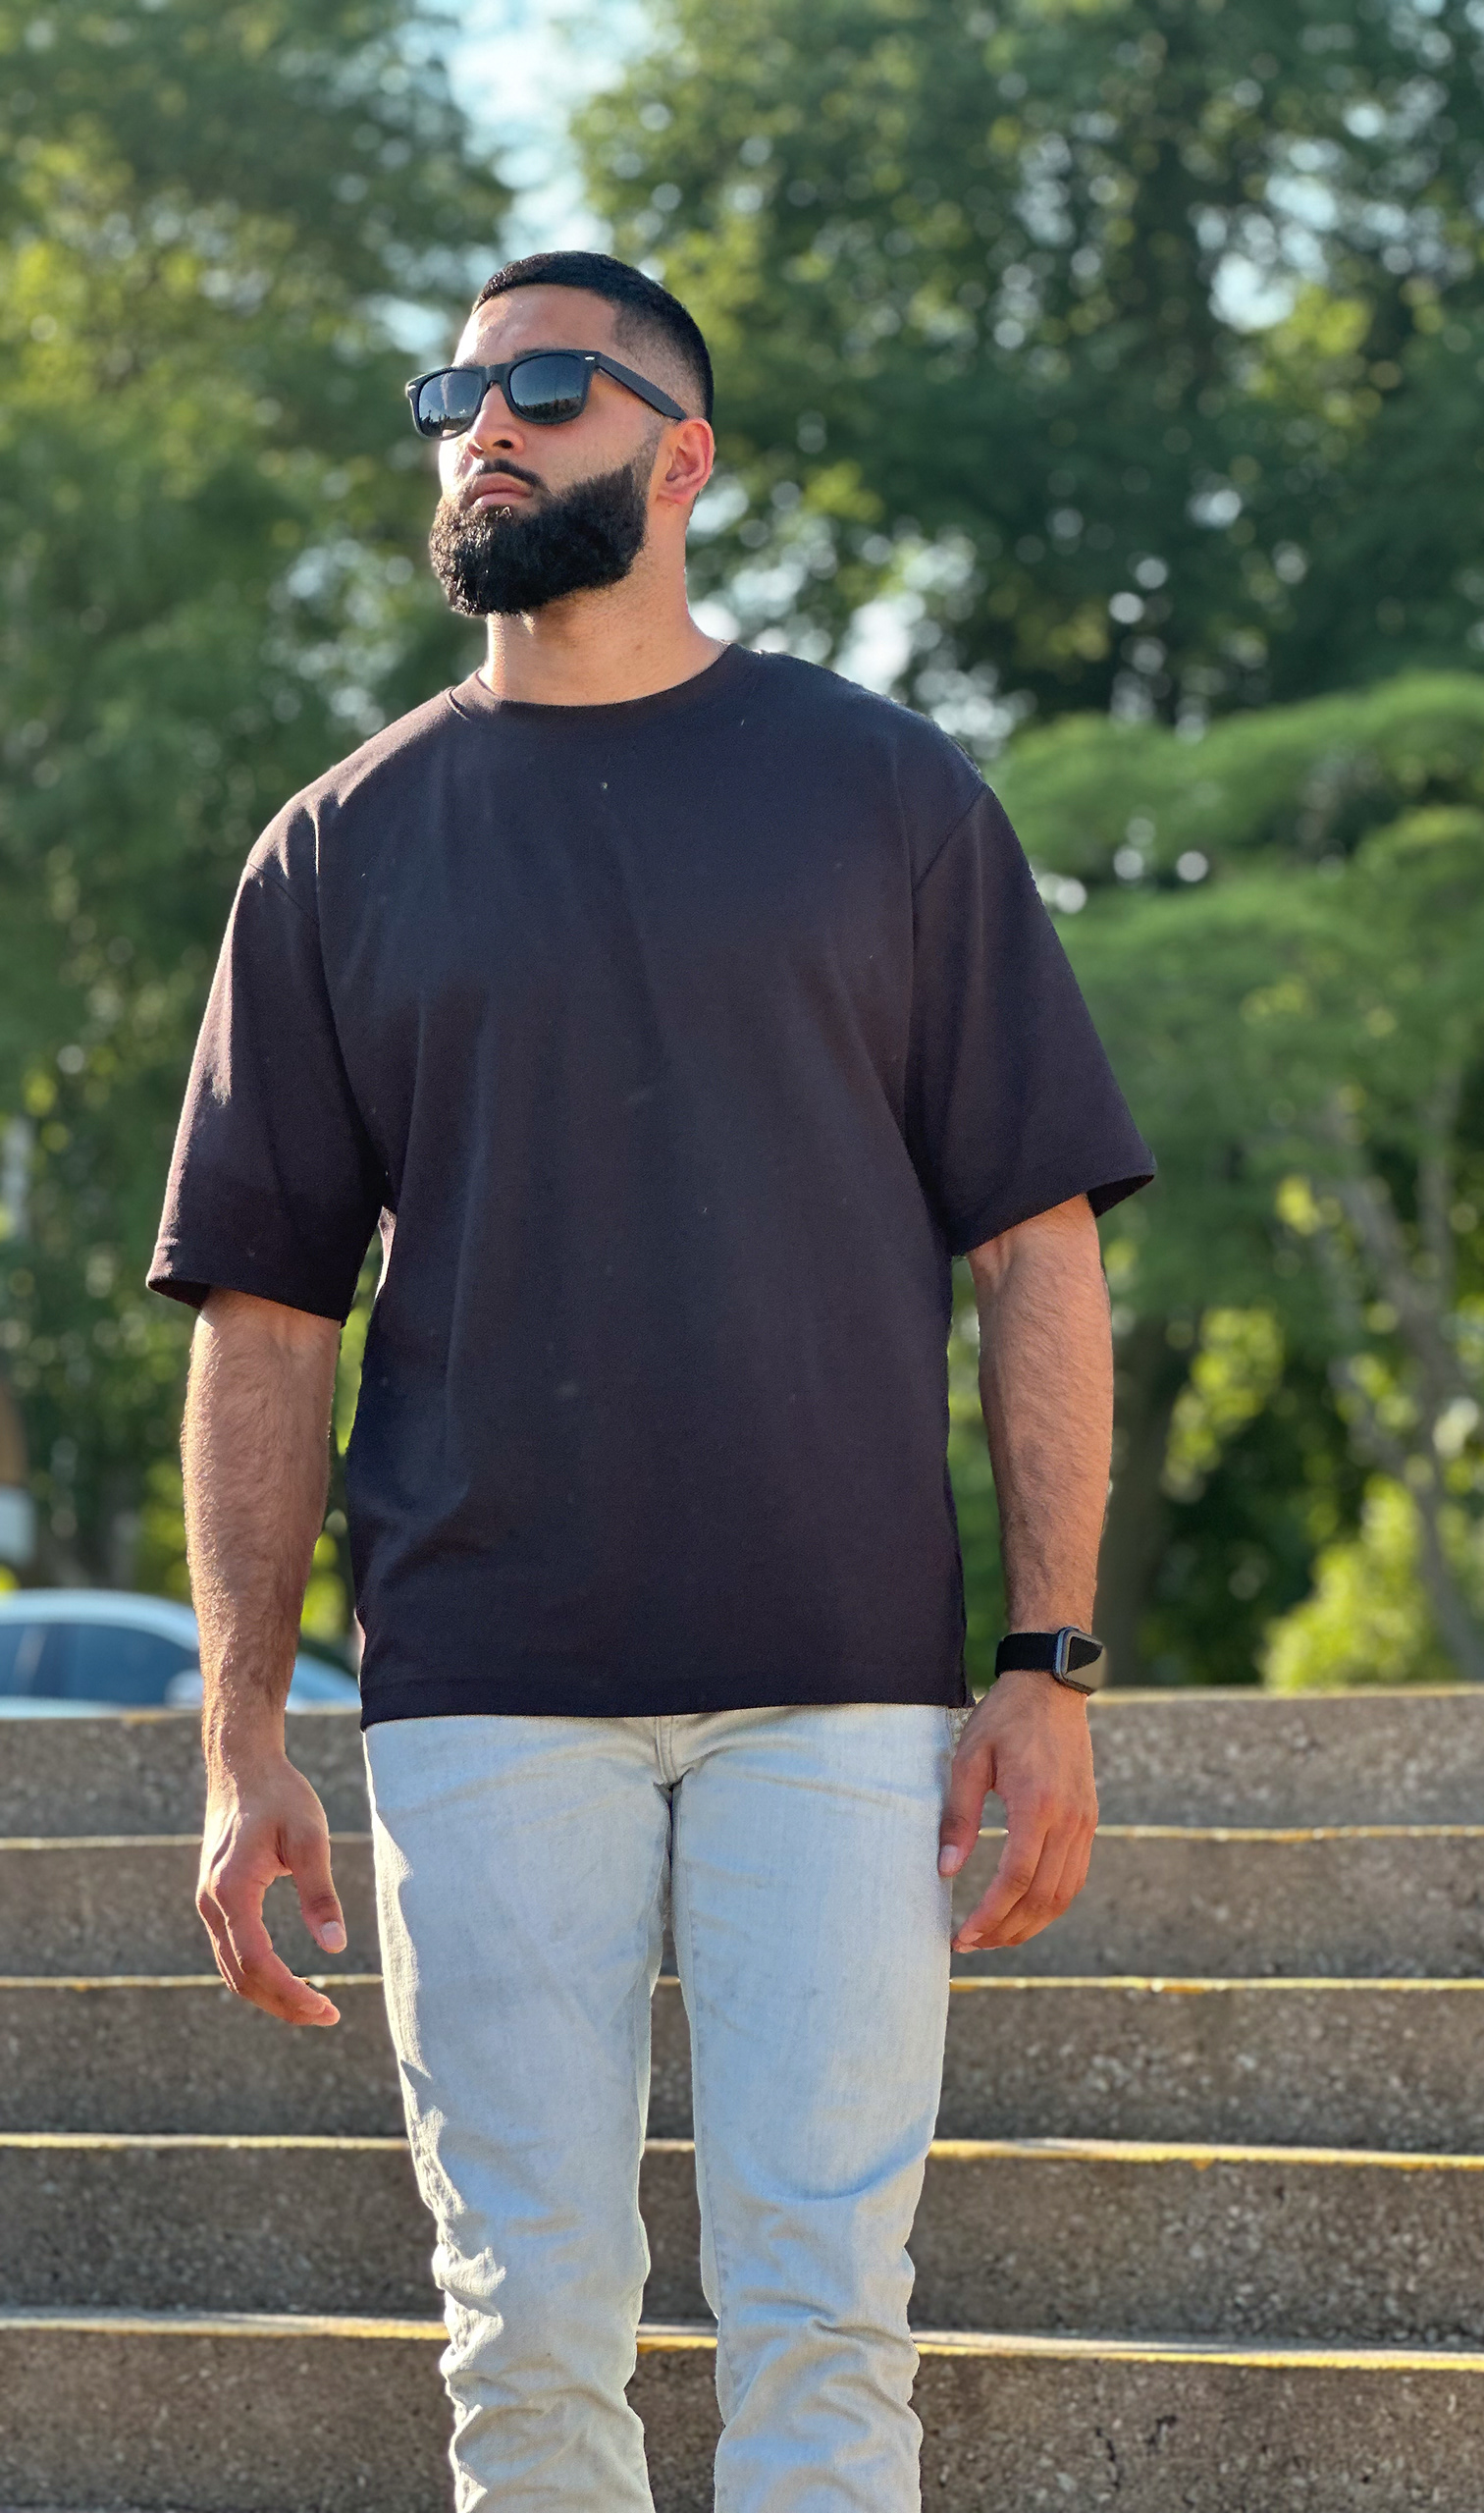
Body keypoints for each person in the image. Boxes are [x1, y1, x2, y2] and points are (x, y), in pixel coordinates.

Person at [149, 248, 1152, 2511]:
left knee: (826, 2322)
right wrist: (238, 1730)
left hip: (840, 1688)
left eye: (547, 390)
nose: (483, 424)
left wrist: (1048, 1659)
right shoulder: (337, 847)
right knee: (525, 2345)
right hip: (485, 1683)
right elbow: (264, 1316)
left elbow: (1039, 1242)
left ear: (679, 458)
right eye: (454, 392)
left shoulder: (885, 795)